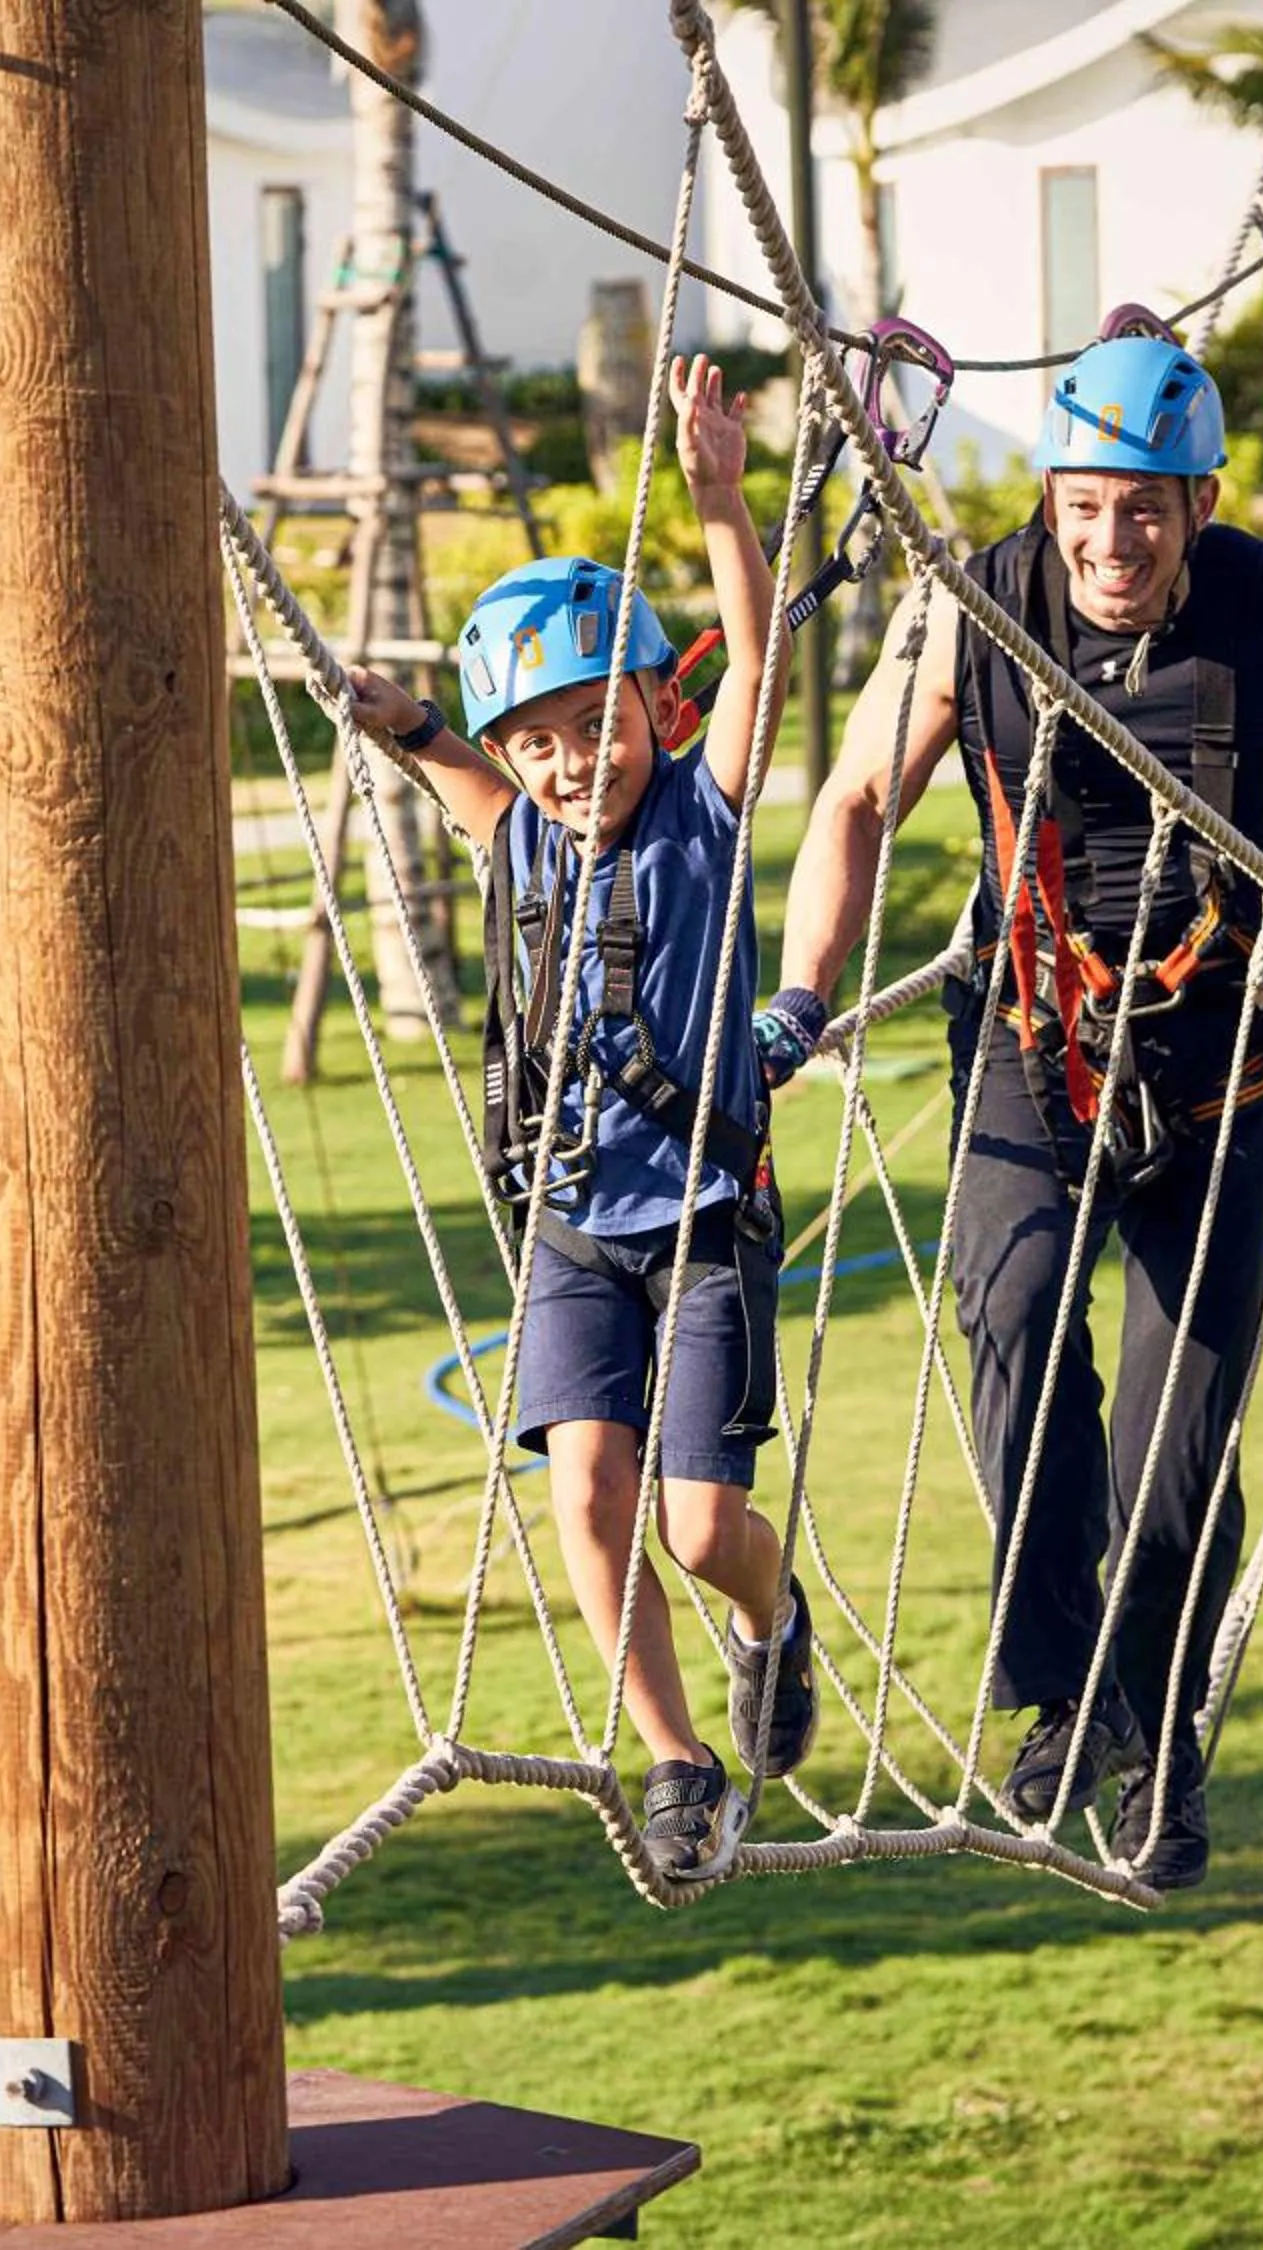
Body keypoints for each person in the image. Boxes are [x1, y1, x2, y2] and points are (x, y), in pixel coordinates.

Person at [754, 317, 1263, 1892]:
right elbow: (860, 793)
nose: (1108, 538)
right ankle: (1059, 1690)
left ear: (1199, 500)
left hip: (1229, 1068)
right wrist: (803, 991)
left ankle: (1155, 1749)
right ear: (1054, 496)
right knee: (1009, 1324)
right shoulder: (978, 610)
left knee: (1178, 1437)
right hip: (1032, 1038)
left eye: (1143, 506)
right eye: (1084, 502)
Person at [345, 356, 818, 1880]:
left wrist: (721, 501)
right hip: (567, 1226)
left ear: (648, 710)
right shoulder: (521, 840)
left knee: (696, 1524)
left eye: (594, 725)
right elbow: (456, 775)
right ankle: (676, 1757)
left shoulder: (702, 814)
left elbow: (755, 657)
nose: (566, 762)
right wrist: (401, 720)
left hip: (694, 1219)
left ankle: (772, 1612)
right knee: (590, 1494)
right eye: (534, 739)